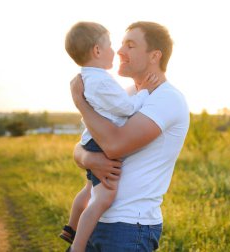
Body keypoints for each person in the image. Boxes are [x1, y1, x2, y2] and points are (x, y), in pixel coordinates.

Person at [70, 21, 190, 251]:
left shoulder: (167, 99)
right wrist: (88, 159)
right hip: (99, 218)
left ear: (154, 56)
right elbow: (83, 143)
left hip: (129, 227)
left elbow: (114, 145)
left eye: (131, 45)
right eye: (122, 44)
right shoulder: (127, 96)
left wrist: (80, 104)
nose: (120, 51)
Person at [61, 21, 159, 252]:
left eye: (129, 46)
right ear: (97, 51)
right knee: (102, 199)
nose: (116, 51)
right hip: (99, 146)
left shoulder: (87, 78)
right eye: (111, 45)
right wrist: (144, 91)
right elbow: (125, 108)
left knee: (88, 190)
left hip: (92, 141)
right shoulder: (101, 80)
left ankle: (71, 226)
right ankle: (77, 246)